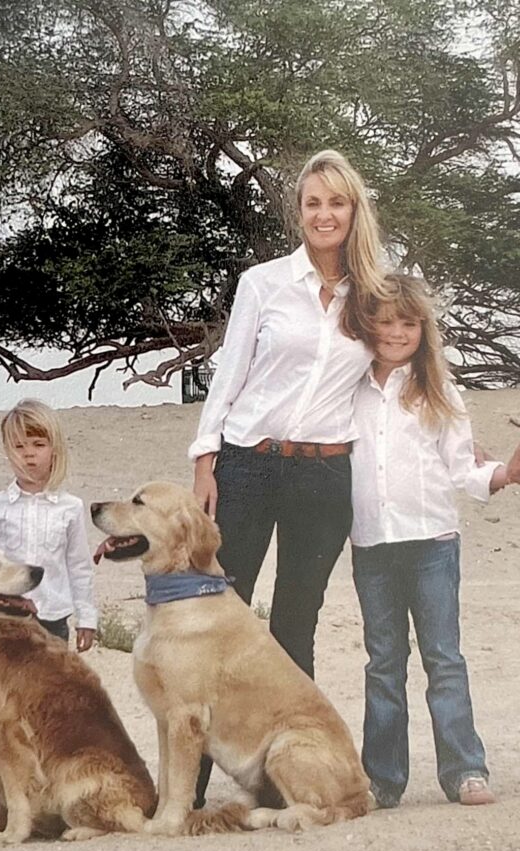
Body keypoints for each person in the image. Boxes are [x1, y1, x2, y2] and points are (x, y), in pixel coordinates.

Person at [188, 149, 388, 806]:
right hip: (248, 467)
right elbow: (228, 378)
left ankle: (284, 782)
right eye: (313, 203)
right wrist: (205, 460)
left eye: (337, 202)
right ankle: (188, 787)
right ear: (299, 213)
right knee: (223, 623)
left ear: (353, 210)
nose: (324, 214)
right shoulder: (263, 283)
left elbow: (397, 385)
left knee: (295, 624)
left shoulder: (377, 295)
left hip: (324, 479)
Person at [350, 274, 520, 809]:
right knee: (383, 662)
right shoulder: (349, 388)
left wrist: (506, 474)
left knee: (444, 658)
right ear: (366, 327)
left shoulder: (439, 390)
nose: (396, 332)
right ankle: (382, 779)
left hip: (432, 544)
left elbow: (462, 467)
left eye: (407, 323)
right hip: (371, 545)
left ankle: (465, 770)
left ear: (423, 330)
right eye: (384, 322)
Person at [0, 399, 98, 651]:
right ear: (7, 450)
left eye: (38, 445)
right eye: (19, 446)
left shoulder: (70, 508)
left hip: (52, 617)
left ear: (54, 449)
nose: (28, 453)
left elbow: (79, 567)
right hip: (4, 618)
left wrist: (86, 617)